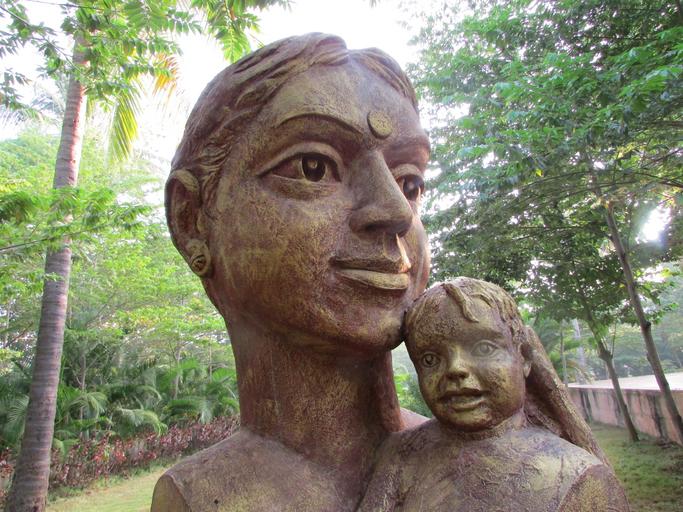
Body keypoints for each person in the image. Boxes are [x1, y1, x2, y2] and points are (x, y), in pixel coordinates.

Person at [152, 33, 431, 511]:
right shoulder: (200, 499)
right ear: (192, 220)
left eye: (409, 182)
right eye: (313, 167)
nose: (395, 212)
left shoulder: (508, 471)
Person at [358, 278, 630, 512]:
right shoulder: (402, 455)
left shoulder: (577, 474)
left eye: (484, 348)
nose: (455, 369)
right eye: (430, 359)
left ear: (524, 357)